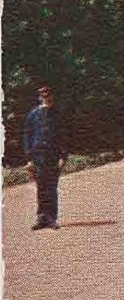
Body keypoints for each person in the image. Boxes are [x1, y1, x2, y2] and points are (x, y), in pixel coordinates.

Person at [21, 84, 68, 231]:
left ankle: (52, 218)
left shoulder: (58, 114)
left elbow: (64, 137)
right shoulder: (33, 115)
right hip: (37, 156)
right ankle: (42, 218)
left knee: (51, 187)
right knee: (41, 187)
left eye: (48, 95)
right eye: (43, 96)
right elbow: (27, 136)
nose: (46, 98)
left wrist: (63, 157)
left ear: (52, 96)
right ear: (39, 98)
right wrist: (28, 159)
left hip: (52, 156)